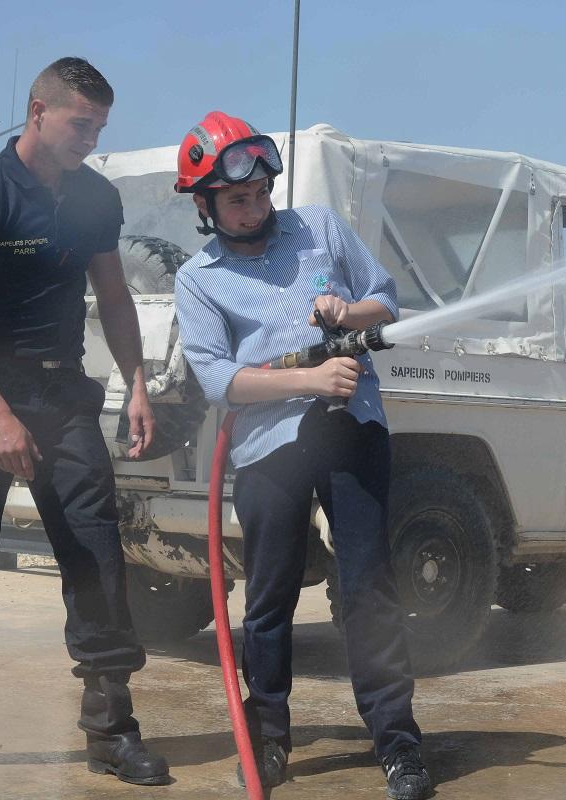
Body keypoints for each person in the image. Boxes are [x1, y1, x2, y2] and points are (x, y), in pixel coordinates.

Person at [0, 57, 170, 785]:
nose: (91, 138)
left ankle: (111, 728)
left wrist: (137, 385)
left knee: (97, 555)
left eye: (100, 127)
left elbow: (113, 297)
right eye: (81, 124)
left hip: (64, 396)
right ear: (38, 112)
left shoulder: (95, 197)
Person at [172, 111, 433, 800]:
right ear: (204, 205)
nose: (255, 207)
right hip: (268, 447)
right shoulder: (199, 279)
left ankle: (398, 743)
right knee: (269, 595)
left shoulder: (319, 228)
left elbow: (385, 300)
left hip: (352, 428)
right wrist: (311, 380)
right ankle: (269, 740)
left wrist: (347, 313)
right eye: (237, 199)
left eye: (262, 193)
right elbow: (220, 380)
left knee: (368, 586)